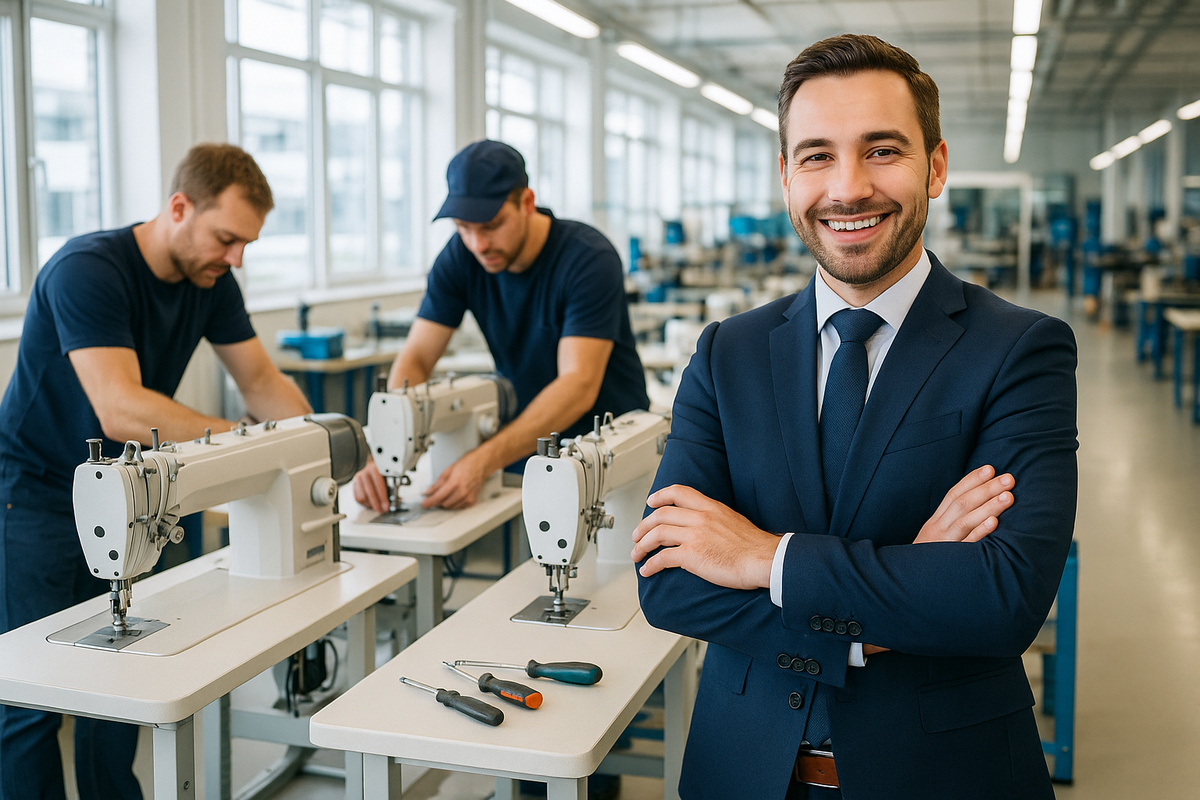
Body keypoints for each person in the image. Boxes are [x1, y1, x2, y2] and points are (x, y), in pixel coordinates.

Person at [631, 34, 1078, 800]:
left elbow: (1001, 598)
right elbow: (669, 584)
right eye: (816, 156)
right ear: (785, 177)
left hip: (944, 775)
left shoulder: (1020, 350)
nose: (847, 188)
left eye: (881, 151)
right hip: (740, 771)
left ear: (935, 167)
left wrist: (763, 560)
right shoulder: (726, 354)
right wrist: (882, 616)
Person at [0, 143, 312, 800]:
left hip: (129, 489)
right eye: (227, 238)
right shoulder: (87, 270)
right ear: (179, 207)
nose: (235, 260)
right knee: (33, 698)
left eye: (246, 245)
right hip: (36, 494)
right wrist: (256, 446)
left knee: (127, 680)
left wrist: (315, 445)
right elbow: (120, 409)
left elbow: (258, 379)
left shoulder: (211, 281)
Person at [354, 140, 649, 512]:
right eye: (464, 227)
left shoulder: (588, 258)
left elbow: (578, 385)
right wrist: (385, 447)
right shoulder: (460, 257)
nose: (478, 243)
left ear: (527, 203)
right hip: (530, 435)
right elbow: (416, 356)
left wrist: (482, 460)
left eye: (491, 226)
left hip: (608, 444)